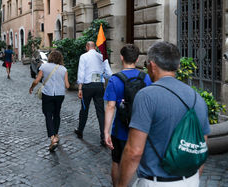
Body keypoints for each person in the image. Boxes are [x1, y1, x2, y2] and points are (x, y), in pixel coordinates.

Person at [117, 42, 210, 187]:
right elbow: (201, 147)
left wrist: (121, 185)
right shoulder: (197, 97)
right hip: (191, 180)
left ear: (152, 66)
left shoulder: (146, 96)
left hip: (156, 182)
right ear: (177, 66)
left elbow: (134, 151)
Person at [103, 44, 152, 186]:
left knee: (117, 161)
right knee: (142, 162)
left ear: (121, 58)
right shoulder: (146, 78)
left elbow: (111, 106)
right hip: (141, 130)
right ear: (137, 59)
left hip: (120, 130)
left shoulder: (115, 79)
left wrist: (106, 132)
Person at [29, 50, 70, 151]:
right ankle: (56, 134)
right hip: (60, 95)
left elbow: (36, 80)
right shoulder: (64, 69)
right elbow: (67, 85)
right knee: (56, 114)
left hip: (48, 94)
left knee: (48, 114)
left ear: (50, 57)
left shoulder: (44, 67)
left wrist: (32, 87)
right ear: (60, 58)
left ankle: (52, 138)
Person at [74, 41, 112, 146]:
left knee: (84, 109)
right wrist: (101, 74)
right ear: (94, 47)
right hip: (99, 86)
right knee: (100, 112)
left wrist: (80, 88)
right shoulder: (102, 56)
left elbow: (81, 73)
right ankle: (103, 136)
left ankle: (80, 130)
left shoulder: (84, 57)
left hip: (87, 86)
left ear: (87, 47)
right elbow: (109, 74)